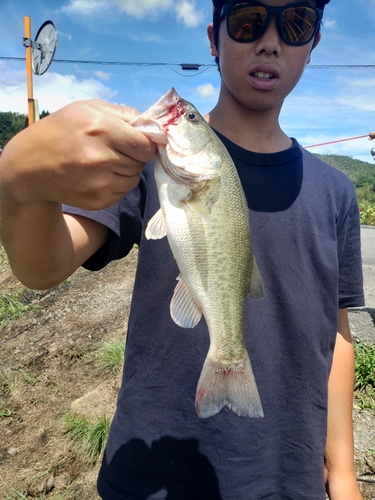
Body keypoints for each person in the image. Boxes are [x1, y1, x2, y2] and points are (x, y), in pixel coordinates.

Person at [0, 1, 365, 498]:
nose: (270, 40)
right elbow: (41, 269)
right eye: (248, 20)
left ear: (313, 42)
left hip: (287, 475)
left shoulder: (337, 193)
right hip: (151, 469)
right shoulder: (148, 166)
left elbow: (337, 334)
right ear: (214, 39)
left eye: (296, 22)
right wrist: (20, 180)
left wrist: (341, 471)